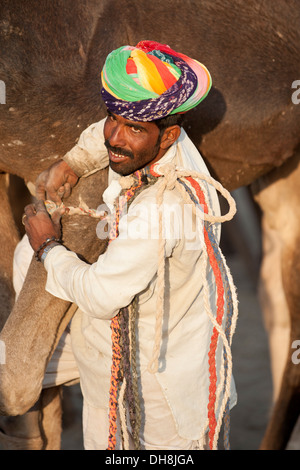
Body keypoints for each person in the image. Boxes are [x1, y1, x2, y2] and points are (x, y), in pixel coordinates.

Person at [20, 40, 238, 450]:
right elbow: (105, 133)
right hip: (115, 369)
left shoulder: (161, 207)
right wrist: (73, 162)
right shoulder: (165, 146)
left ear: (169, 134)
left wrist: (47, 245)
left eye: (134, 128)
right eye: (111, 118)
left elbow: (101, 297)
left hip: (162, 397)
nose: (115, 138)